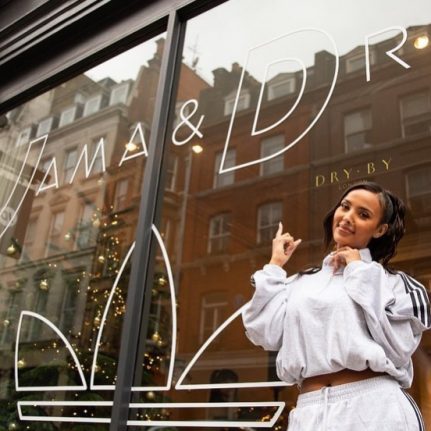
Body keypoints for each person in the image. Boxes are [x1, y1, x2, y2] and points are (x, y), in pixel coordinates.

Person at [242, 181, 430, 431]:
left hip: (374, 406)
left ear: (380, 229)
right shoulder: (300, 283)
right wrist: (275, 266)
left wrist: (358, 271)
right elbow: (263, 333)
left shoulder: (394, 283)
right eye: (345, 206)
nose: (348, 217)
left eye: (363, 214)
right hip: (310, 411)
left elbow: (399, 348)